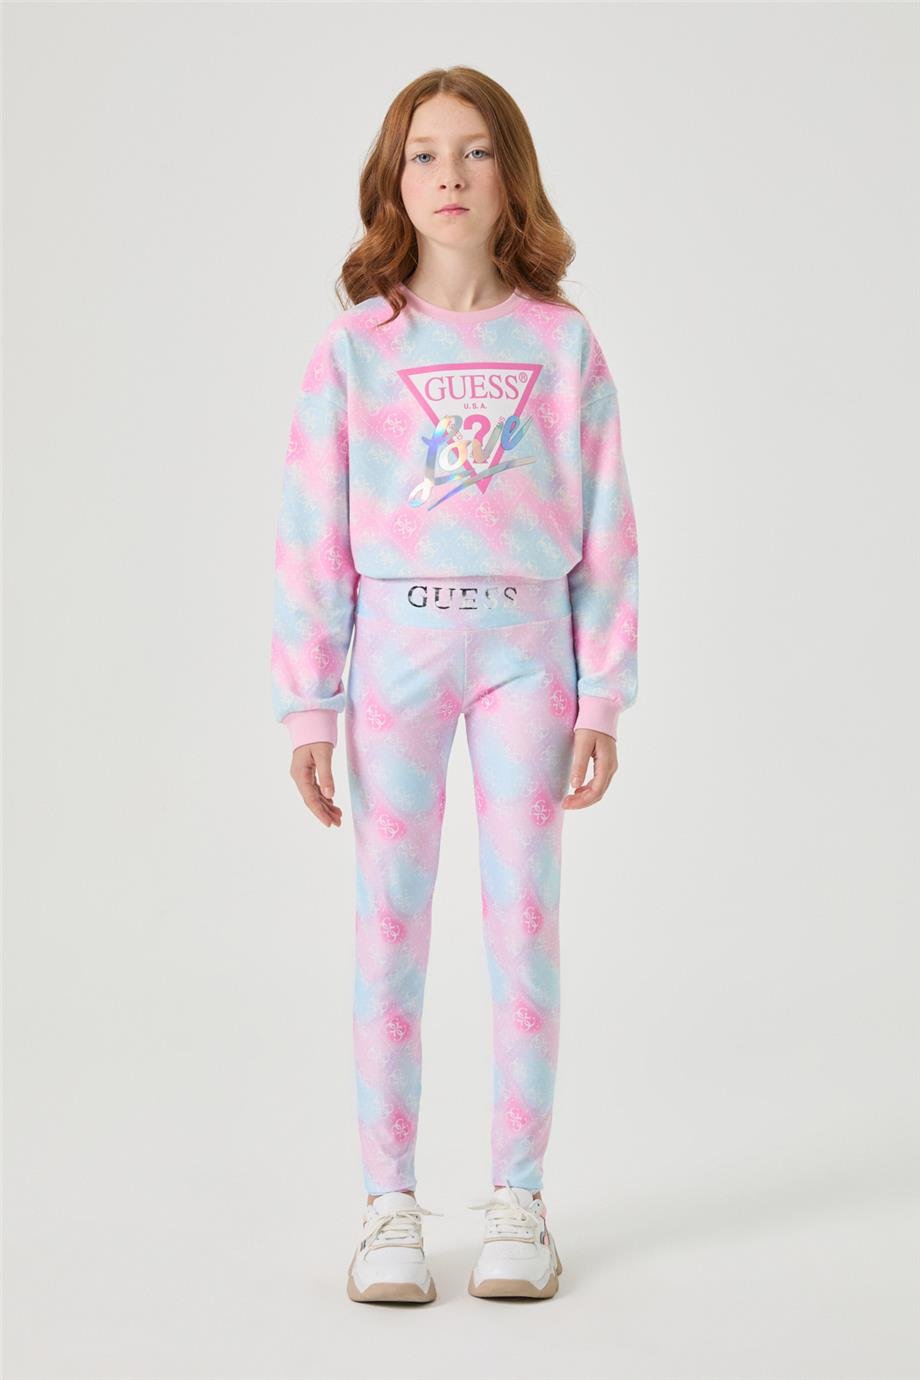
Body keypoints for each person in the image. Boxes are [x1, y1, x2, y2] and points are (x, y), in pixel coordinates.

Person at [270, 66, 639, 1304]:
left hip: (530, 653)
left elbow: (607, 526)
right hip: (396, 655)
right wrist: (309, 700)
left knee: (523, 923)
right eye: (423, 154)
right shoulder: (355, 351)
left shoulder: (561, 342)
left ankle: (517, 1200)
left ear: (508, 174)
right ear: (392, 180)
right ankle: (387, 1206)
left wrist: (602, 692)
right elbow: (310, 531)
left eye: (473, 151)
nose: (447, 176)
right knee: (390, 925)